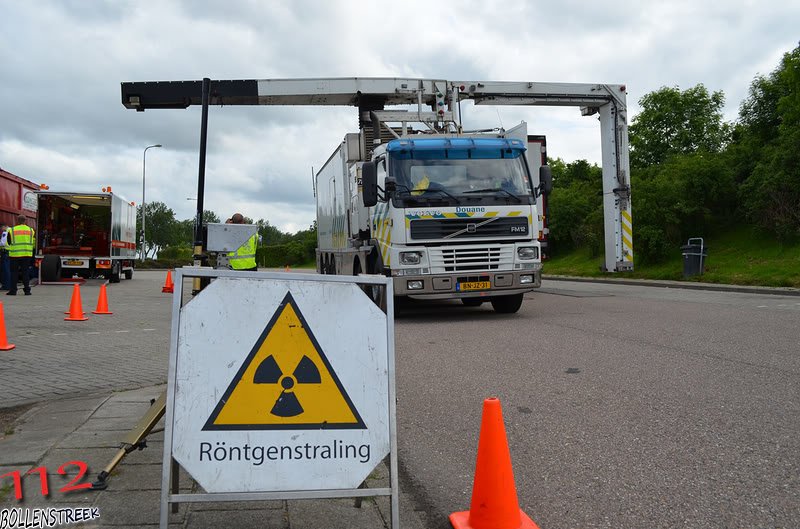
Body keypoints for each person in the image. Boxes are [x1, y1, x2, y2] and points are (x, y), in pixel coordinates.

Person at [7, 215, 35, 296]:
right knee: (25, 272)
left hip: (15, 254)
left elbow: (9, 242)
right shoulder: (31, 230)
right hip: (26, 254)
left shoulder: (12, 230)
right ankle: (27, 291)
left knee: (14, 273)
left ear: (17, 221)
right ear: (25, 221)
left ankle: (13, 291)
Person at [0, 224, 10, 290]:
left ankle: (6, 286)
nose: (1, 230)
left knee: (5, 270)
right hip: (10, 252)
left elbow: (2, 243)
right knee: (9, 270)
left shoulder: (6, 232)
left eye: (1, 228)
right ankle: (9, 285)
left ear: (4, 226)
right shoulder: (12, 230)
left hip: (5, 252)